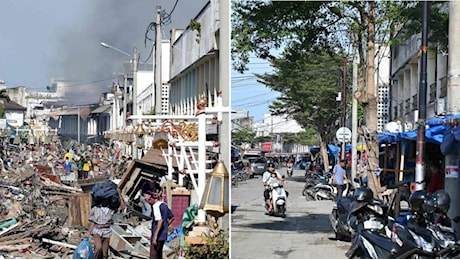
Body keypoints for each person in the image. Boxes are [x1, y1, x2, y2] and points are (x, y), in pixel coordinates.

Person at [87, 188, 125, 259]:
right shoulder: (95, 208)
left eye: (107, 199)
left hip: (107, 232)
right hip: (97, 231)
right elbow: (92, 221)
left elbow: (122, 207)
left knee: (104, 254)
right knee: (98, 248)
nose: (105, 200)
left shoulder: (111, 209)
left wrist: (120, 194)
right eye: (104, 199)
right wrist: (88, 233)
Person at [146, 191, 174, 259]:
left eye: (148, 200)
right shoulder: (164, 205)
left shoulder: (156, 206)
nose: (148, 203)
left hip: (158, 235)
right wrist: (166, 226)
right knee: (159, 255)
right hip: (163, 235)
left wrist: (155, 236)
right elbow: (172, 217)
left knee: (153, 256)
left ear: (152, 199)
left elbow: (160, 221)